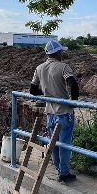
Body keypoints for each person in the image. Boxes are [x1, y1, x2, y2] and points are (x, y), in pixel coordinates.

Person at [30, 40, 80, 183]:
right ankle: (64, 174)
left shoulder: (39, 68)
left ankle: (59, 169)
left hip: (50, 113)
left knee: (54, 143)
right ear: (58, 53)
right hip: (64, 113)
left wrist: (47, 93)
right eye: (61, 51)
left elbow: (32, 90)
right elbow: (73, 84)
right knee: (64, 144)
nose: (62, 53)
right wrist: (73, 102)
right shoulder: (63, 67)